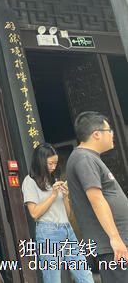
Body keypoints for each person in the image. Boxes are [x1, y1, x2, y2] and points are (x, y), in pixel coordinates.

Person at [67, 111, 128, 283]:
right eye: (109, 130)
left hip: (116, 243)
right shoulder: (83, 158)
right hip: (112, 246)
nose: (112, 134)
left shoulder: (89, 158)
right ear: (96, 134)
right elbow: (96, 199)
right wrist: (115, 238)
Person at [21, 143, 93, 283]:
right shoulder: (29, 181)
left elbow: (68, 214)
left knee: (85, 275)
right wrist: (53, 195)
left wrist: (65, 197)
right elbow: (34, 213)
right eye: (50, 163)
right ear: (40, 161)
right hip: (48, 232)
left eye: (55, 163)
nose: (53, 167)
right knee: (53, 279)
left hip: (67, 229)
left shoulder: (54, 178)